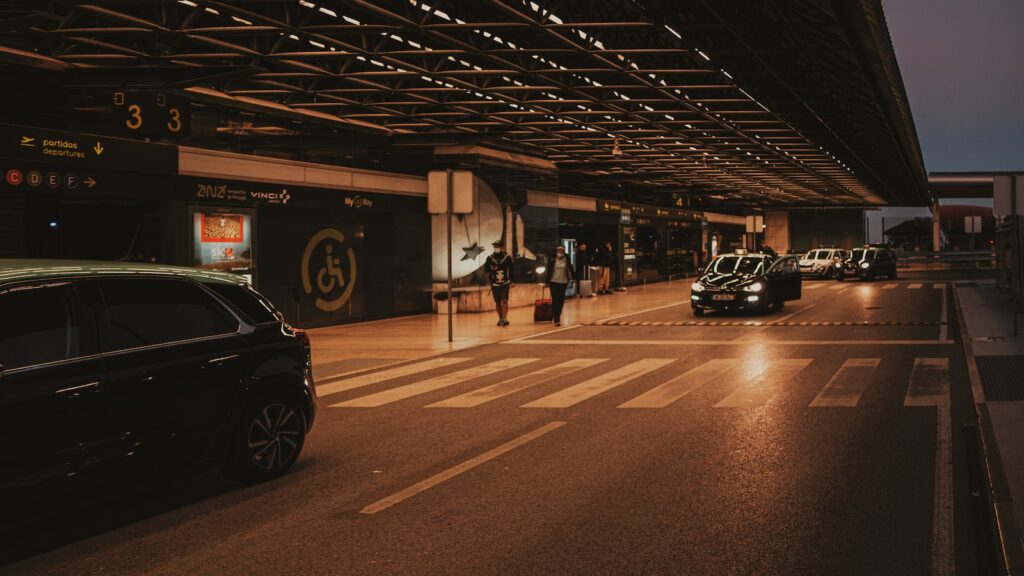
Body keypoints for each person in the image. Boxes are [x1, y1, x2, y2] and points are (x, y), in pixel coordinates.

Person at [544, 245, 576, 326]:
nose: (560, 252)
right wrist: (546, 281)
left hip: (563, 282)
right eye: (559, 250)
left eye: (562, 250)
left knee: (561, 300)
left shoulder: (566, 258)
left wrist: (574, 276)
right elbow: (549, 269)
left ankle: (557, 314)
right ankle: (556, 318)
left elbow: (570, 267)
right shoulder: (552, 259)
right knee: (555, 300)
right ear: (556, 251)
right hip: (553, 282)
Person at [485, 240, 514, 326]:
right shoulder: (490, 258)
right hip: (495, 284)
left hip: (505, 283)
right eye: (495, 246)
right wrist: (492, 269)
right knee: (497, 302)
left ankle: (505, 319)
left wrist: (512, 281)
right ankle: (500, 318)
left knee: (504, 300)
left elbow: (512, 270)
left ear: (501, 247)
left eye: (498, 246)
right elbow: (486, 270)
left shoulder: (507, 257)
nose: (496, 248)